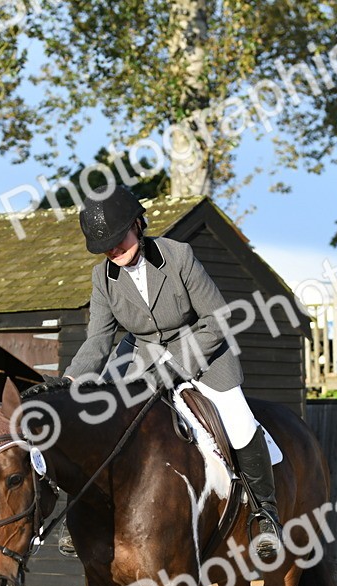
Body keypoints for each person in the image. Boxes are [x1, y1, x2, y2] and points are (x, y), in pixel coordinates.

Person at [51, 186, 282, 562]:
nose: (113, 249)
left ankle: (265, 514)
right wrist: (72, 380)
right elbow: (98, 339)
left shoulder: (179, 256)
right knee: (104, 420)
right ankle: (85, 509)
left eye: (117, 239)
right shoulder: (102, 278)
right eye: (104, 245)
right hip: (143, 357)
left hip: (205, 354)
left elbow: (217, 320)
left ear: (137, 224)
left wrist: (170, 367)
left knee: (238, 422)